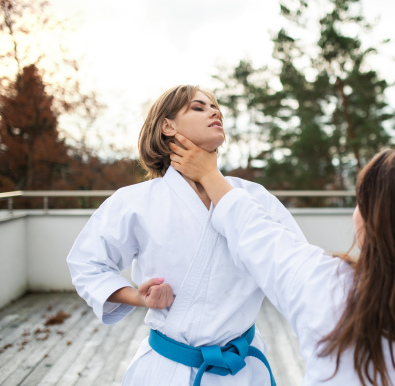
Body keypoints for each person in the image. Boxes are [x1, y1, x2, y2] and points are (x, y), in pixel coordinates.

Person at [169, 136, 395, 386]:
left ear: (372, 219)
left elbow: (257, 235)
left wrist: (208, 175)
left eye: (360, 203)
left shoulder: (325, 288)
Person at [67, 85, 307, 386]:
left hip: (244, 369)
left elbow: (298, 266)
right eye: (198, 107)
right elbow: (86, 263)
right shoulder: (135, 201)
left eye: (215, 106)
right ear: (168, 126)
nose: (214, 111)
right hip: (169, 371)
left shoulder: (254, 197)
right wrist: (137, 297)